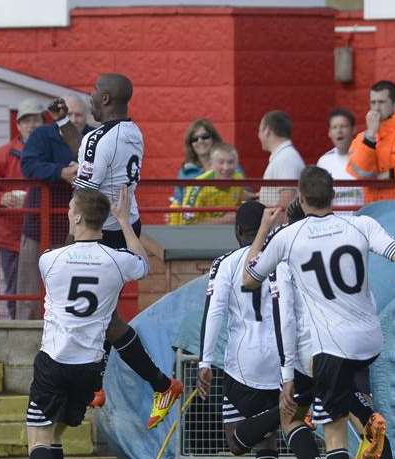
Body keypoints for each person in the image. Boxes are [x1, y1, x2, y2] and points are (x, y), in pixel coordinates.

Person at [243, 166, 395, 459]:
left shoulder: (289, 237)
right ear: (334, 194)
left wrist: (263, 231)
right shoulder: (360, 224)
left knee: (334, 432)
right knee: (356, 408)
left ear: (300, 196)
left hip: (329, 348)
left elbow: (250, 279)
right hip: (369, 341)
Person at [18, 186, 150, 459]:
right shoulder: (116, 261)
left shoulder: (50, 260)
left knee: (37, 435)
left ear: (76, 215)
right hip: (90, 367)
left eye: (71, 208)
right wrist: (123, 222)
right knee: (58, 428)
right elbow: (143, 264)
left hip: (55, 360)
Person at [73, 73, 181, 430]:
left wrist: (75, 235)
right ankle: (99, 386)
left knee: (96, 314)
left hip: (101, 230)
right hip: (126, 225)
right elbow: (96, 153)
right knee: (103, 315)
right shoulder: (133, 132)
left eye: (92, 91)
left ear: (104, 98)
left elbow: (86, 190)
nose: (89, 97)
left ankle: (157, 384)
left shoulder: (97, 137)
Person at [196, 201, 283, 459]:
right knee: (267, 440)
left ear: (236, 231)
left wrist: (206, 360)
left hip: (241, 362)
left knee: (235, 442)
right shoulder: (279, 260)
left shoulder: (225, 263)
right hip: (276, 359)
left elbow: (215, 311)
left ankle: (288, 412)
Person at [15, 95, 93, 320]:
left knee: (71, 284)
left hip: (79, 226)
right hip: (39, 223)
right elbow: (28, 165)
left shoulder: (91, 136)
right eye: (69, 114)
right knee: (29, 287)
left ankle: (67, 325)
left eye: (79, 114)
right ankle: (25, 335)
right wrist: (61, 172)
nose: (74, 119)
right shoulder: (42, 135)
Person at [0, 98, 44, 318]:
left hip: (44, 234)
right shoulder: (3, 155)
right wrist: (1, 198)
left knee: (46, 293)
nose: (31, 125)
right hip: (13, 238)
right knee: (15, 293)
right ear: (18, 125)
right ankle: (20, 338)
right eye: (26, 120)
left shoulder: (48, 153)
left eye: (36, 120)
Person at [171, 142, 245, 225]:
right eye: (221, 162)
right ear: (211, 164)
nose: (226, 167)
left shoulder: (238, 178)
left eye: (230, 162)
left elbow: (240, 198)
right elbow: (188, 223)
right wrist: (223, 220)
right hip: (200, 235)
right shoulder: (197, 186)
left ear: (237, 163)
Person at [316, 108, 363, 210]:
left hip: (362, 219)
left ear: (353, 129)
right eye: (334, 127)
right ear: (329, 133)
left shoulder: (365, 156)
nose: (339, 131)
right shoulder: (324, 161)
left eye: (344, 126)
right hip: (335, 222)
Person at [257, 110, 305, 208]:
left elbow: (287, 200)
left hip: (281, 223)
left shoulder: (285, 158)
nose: (259, 135)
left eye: (259, 130)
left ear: (267, 131)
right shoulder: (285, 156)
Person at [174, 118, 227, 204]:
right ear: (190, 145)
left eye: (205, 137)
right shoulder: (185, 172)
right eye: (195, 139)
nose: (200, 141)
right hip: (194, 216)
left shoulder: (228, 164)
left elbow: (243, 197)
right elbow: (177, 202)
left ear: (214, 139)